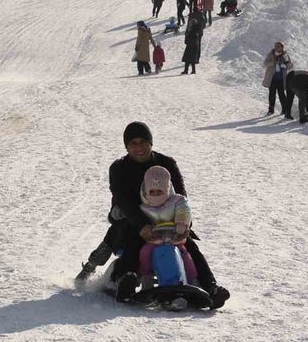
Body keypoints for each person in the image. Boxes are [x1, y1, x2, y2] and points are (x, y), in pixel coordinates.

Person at [76, 122, 230, 307]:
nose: (139, 147)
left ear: (150, 142)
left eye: (143, 142)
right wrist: (142, 226)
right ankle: (126, 279)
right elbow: (124, 201)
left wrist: (183, 224)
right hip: (132, 220)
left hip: (167, 221)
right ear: (126, 146)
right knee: (133, 242)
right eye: (133, 143)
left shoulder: (167, 164)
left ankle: (210, 287)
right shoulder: (119, 168)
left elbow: (181, 199)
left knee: (189, 246)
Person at [137, 166, 198, 290]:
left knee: (185, 255)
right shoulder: (144, 207)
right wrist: (147, 230)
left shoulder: (177, 201)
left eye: (159, 192)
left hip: (175, 238)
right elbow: (138, 220)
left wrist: (181, 223)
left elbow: (183, 210)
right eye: (152, 192)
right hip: (154, 240)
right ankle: (146, 278)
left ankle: (193, 280)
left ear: (167, 190)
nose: (156, 195)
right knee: (145, 252)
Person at [262, 41, 293, 117]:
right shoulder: (271, 54)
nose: (276, 47)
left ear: (282, 47)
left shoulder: (285, 55)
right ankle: (271, 110)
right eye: (276, 46)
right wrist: (273, 63)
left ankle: (284, 110)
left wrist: (285, 65)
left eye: (278, 46)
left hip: (281, 79)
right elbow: (265, 63)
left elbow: (290, 65)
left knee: (282, 95)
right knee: (272, 95)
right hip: (272, 79)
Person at [181, 9, 204, 74]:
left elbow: (191, 37)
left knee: (190, 59)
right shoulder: (194, 30)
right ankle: (188, 70)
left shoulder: (194, 31)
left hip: (192, 46)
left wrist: (187, 40)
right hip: (191, 45)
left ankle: (191, 70)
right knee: (189, 59)